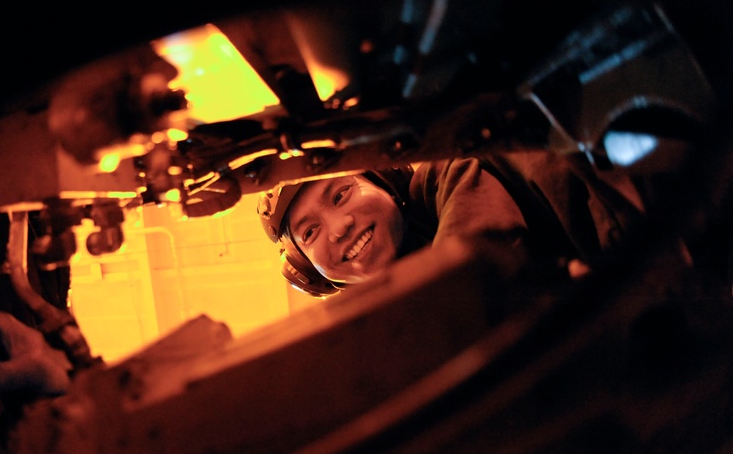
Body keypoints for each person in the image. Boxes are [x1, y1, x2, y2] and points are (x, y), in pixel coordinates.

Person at [257, 149, 650, 297]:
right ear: (311, 270)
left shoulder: (441, 176)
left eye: (341, 194)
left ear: (389, 184)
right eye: (310, 233)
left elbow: (462, 193)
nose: (339, 227)